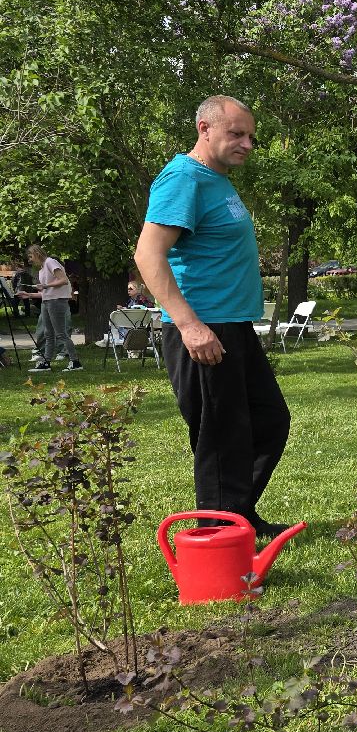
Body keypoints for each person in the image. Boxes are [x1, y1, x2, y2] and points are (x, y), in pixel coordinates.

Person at [134, 95, 293, 540]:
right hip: (204, 328)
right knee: (222, 437)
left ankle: (234, 515)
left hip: (232, 325)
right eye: (236, 133)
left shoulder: (215, 179)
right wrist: (190, 325)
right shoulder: (183, 179)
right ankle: (219, 536)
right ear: (204, 129)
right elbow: (148, 255)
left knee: (267, 421)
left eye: (251, 137)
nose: (247, 144)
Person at [27, 244, 81, 372]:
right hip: (47, 301)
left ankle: (75, 362)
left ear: (37, 253)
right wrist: (28, 295)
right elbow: (46, 291)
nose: (30, 260)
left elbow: (63, 280)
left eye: (30, 256)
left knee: (61, 333)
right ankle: (46, 362)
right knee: (48, 334)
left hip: (56, 302)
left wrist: (45, 285)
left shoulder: (50, 262)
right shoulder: (42, 269)